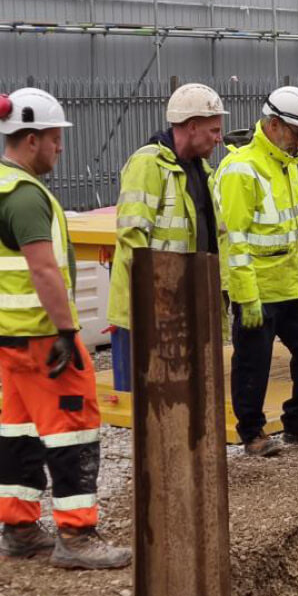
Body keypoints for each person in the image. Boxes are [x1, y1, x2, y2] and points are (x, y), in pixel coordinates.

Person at [0, 87, 131, 568]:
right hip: (39, 336)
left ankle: (19, 529)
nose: (60, 146)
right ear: (32, 139)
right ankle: (77, 536)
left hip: (7, 334)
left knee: (20, 427)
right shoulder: (23, 196)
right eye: (55, 138)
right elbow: (42, 270)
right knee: (73, 427)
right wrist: (68, 332)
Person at [215, 86, 298, 457]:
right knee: (253, 361)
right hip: (258, 289)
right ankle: (252, 432)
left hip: (294, 285)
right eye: (297, 133)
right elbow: (234, 240)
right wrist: (245, 296)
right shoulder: (242, 169)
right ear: (274, 125)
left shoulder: (285, 163)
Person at [106, 83, 230, 388]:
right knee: (149, 402)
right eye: (213, 130)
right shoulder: (148, 164)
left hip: (187, 303)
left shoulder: (201, 170)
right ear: (191, 126)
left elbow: (216, 237)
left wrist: (224, 289)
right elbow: (133, 237)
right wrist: (156, 300)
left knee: (182, 394)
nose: (219, 138)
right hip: (153, 310)